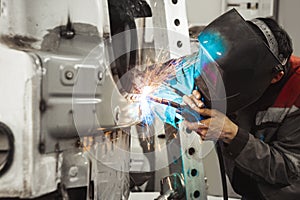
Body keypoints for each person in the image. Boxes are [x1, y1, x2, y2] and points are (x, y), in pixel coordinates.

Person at [181, 9, 300, 200]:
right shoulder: (229, 61)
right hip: (249, 190)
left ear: (275, 76)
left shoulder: (296, 92)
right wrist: (194, 103)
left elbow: (290, 170)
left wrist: (233, 135)